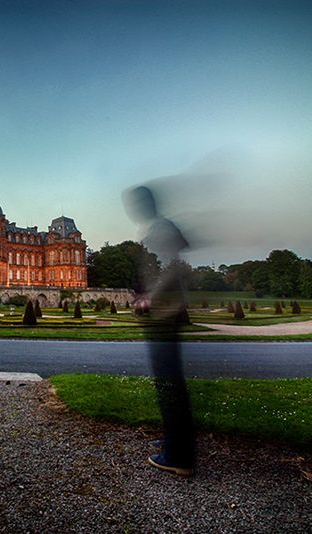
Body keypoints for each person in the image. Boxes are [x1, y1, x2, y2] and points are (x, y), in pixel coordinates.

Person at [123, 185, 196, 477]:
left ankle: (178, 455)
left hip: (165, 312)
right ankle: (174, 441)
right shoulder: (159, 228)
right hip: (164, 312)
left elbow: (173, 266)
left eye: (137, 204)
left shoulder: (161, 229)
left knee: (170, 383)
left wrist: (151, 296)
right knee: (169, 381)